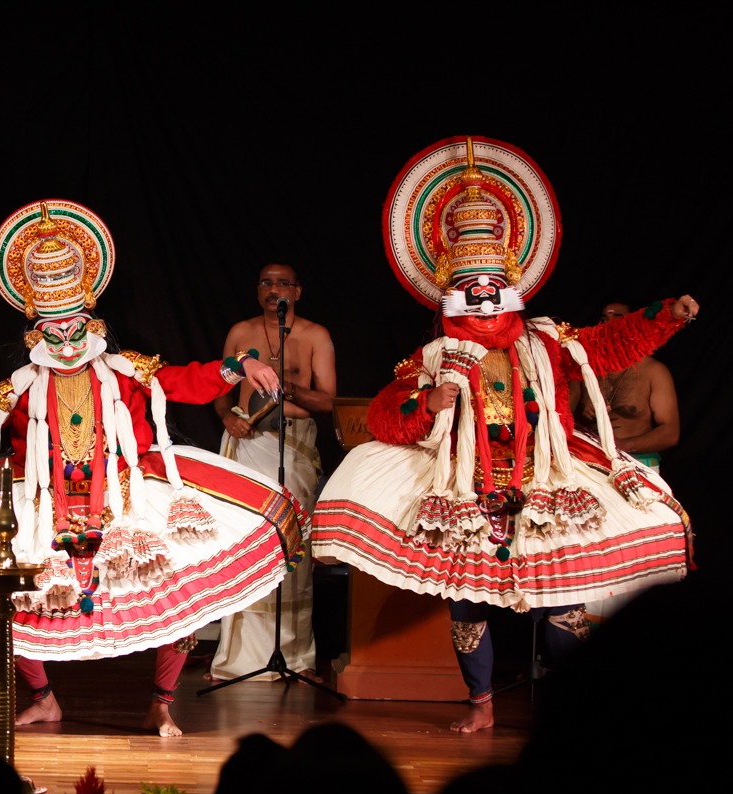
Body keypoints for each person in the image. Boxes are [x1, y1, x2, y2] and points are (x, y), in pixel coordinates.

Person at [0, 199, 304, 738]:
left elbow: (186, 381)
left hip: (127, 494)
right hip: (41, 502)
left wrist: (242, 365)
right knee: (10, 599)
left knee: (177, 599)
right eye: (54, 334)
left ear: (91, 323)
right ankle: (44, 700)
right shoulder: (20, 388)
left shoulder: (127, 370)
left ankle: (162, 704)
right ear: (36, 334)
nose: (67, 344)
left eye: (75, 331)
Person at [310, 136, 698, 734]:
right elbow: (386, 416)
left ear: (511, 285)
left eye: (494, 286)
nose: (486, 299)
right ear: (452, 294)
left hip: (545, 481)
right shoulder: (434, 356)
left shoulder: (545, 342)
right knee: (468, 607)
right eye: (473, 289)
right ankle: (482, 706)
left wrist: (664, 316)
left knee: (565, 604)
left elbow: (608, 345)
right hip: (466, 488)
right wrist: (428, 403)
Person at [208, 261, 335, 682]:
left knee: (291, 547)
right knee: (247, 544)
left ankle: (296, 656)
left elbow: (328, 402)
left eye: (282, 283)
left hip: (294, 447)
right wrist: (228, 417)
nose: (273, 289)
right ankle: (238, 658)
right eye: (266, 282)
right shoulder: (240, 332)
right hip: (249, 444)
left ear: (297, 291)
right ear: (257, 290)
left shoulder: (315, 335)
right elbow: (221, 390)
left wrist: (286, 386)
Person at [568, 300, 680, 474]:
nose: (609, 324)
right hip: (590, 462)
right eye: (604, 320)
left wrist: (626, 445)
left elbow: (670, 433)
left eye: (618, 318)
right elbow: (561, 413)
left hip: (639, 464)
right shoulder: (583, 367)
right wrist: (583, 408)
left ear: (634, 322)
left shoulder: (654, 371)